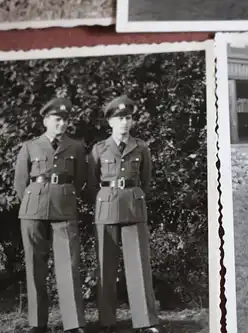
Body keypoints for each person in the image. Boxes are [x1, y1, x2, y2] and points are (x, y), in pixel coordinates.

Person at [13, 97, 87, 333]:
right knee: (35, 265)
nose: (61, 125)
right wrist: (32, 200)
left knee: (69, 265)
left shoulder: (76, 147)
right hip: (33, 208)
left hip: (64, 208)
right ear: (46, 120)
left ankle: (73, 324)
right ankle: (37, 323)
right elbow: (20, 183)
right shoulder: (30, 146)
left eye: (65, 121)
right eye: (57, 120)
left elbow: (82, 179)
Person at [87, 95, 159, 333]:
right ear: (110, 123)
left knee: (138, 265)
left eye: (128, 117)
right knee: (106, 266)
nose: (125, 123)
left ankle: (145, 322)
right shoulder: (99, 149)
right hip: (106, 208)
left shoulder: (141, 148)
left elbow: (146, 180)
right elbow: (91, 182)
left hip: (133, 207)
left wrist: (133, 194)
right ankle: (107, 321)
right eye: (119, 118)